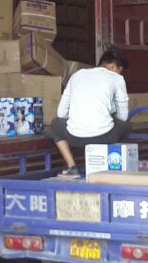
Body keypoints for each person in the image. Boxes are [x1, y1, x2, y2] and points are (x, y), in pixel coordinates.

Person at [51, 46, 130, 177]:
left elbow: (61, 113)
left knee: (55, 125)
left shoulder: (76, 75)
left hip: (74, 137)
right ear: (112, 67)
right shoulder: (116, 78)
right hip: (105, 137)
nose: (119, 74)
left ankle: (72, 167)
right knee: (125, 126)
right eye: (119, 71)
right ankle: (114, 165)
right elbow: (123, 115)